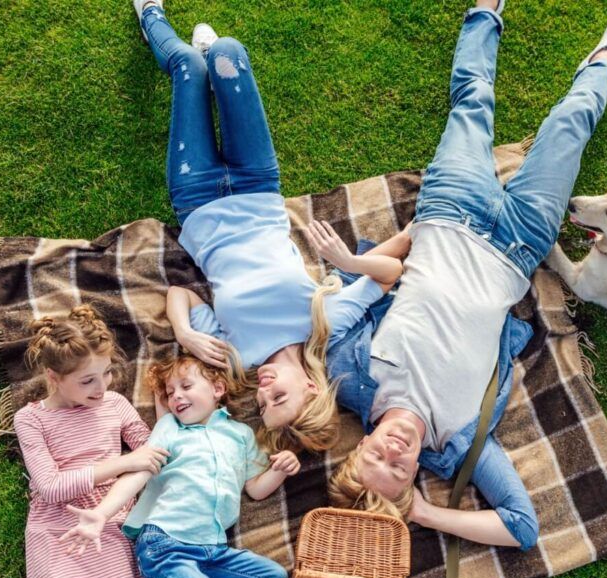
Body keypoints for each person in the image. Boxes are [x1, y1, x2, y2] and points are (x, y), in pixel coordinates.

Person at [326, 2, 607, 550]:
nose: (394, 451)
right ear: (412, 479)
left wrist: (404, 243)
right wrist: (421, 513)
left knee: (472, 101)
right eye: (398, 470)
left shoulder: (350, 376)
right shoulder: (460, 442)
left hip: (450, 209)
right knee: (570, 125)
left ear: (361, 444)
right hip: (519, 245)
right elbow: (521, 527)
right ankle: (605, 58)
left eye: (376, 454)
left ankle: (485, 13)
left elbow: (353, 298)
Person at [132, 0, 403, 457]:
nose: (264, 390)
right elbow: (388, 274)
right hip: (256, 186)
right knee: (227, 51)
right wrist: (347, 262)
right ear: (313, 390)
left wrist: (184, 332)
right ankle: (218, 75)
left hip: (198, 200)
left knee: (187, 67)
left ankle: (151, 16)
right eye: (278, 397)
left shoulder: (234, 359)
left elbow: (181, 293)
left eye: (263, 402)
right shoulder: (327, 325)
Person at [62, 355, 300, 578]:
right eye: (170, 392)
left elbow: (257, 490)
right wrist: (102, 512)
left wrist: (279, 469)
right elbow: (141, 470)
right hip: (165, 543)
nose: (176, 396)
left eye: (186, 386)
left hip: (212, 550)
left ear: (218, 388)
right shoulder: (170, 429)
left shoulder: (241, 434)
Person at [12, 305, 170, 578]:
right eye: (87, 381)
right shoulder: (31, 419)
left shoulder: (115, 404)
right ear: (53, 377)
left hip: (110, 533)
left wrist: (165, 424)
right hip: (58, 537)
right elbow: (50, 487)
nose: (103, 388)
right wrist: (120, 464)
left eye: (107, 373)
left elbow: (152, 451)